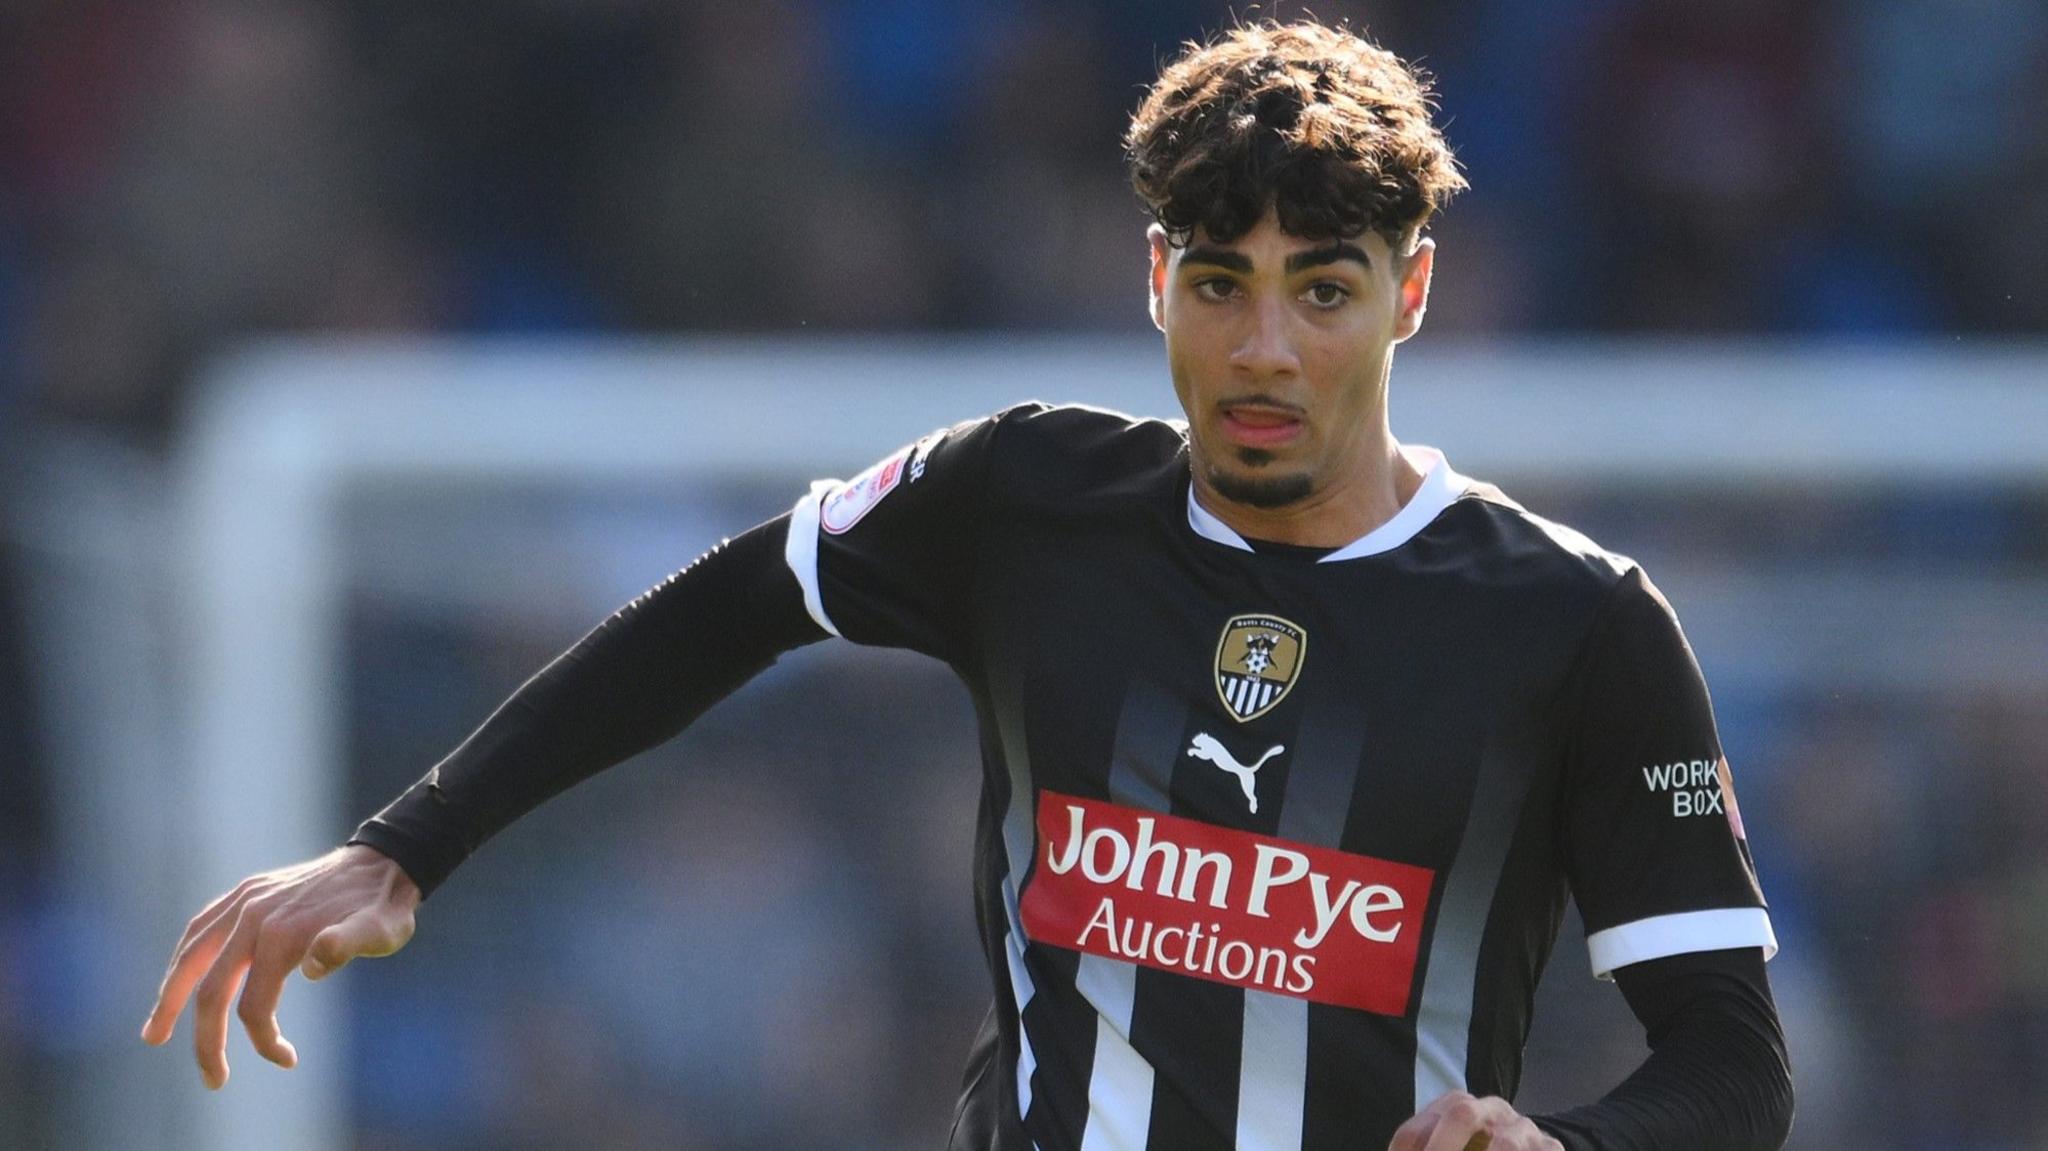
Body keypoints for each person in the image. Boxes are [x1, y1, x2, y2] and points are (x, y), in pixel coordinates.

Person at [143, 19, 1793, 1151]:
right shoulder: (1025, 497)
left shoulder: (1577, 623)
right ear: (1156, 278)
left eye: (1324, 288)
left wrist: (1563, 1144)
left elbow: (1730, 1068)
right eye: (1220, 283)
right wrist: (403, 845)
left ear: (1411, 293)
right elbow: (736, 603)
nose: (1266, 344)